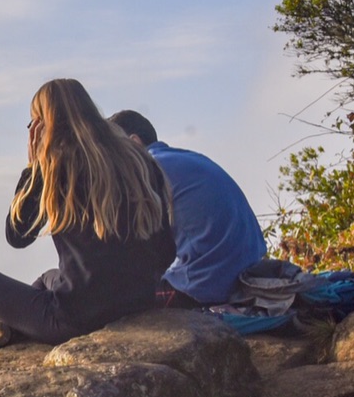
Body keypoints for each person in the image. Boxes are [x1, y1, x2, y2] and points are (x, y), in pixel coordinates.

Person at [0, 78, 175, 349]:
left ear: (45, 124)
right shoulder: (139, 161)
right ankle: (12, 328)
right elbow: (167, 250)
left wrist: (33, 166)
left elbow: (18, 236)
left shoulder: (59, 166)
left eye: (34, 123)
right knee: (47, 279)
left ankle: (11, 331)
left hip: (75, 320)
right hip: (141, 302)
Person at [107, 110, 267, 308]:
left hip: (207, 285)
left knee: (108, 300)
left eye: (111, 150)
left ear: (134, 142)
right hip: (246, 273)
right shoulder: (187, 158)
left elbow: (130, 247)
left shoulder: (149, 170)